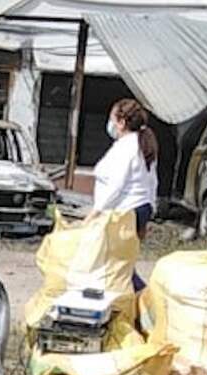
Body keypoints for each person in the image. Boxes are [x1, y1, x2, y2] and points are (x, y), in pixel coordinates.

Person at [86, 98, 159, 292]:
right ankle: (136, 299)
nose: (110, 124)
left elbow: (116, 185)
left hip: (126, 211)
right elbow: (152, 182)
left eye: (112, 119)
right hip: (138, 209)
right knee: (120, 262)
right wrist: (150, 210)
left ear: (121, 122)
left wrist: (96, 211)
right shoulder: (141, 144)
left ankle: (143, 298)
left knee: (116, 263)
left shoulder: (126, 147)